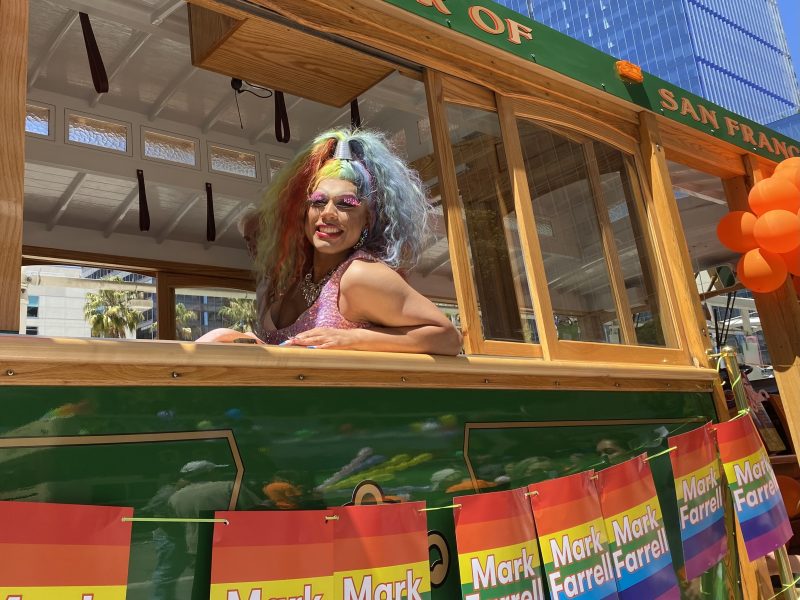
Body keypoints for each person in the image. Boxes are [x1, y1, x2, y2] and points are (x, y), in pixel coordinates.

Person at [198, 128, 462, 355]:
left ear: (367, 219)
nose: (328, 214)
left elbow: (448, 337)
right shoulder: (297, 279)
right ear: (303, 214)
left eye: (346, 204)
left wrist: (353, 339)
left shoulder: (360, 275)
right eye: (319, 202)